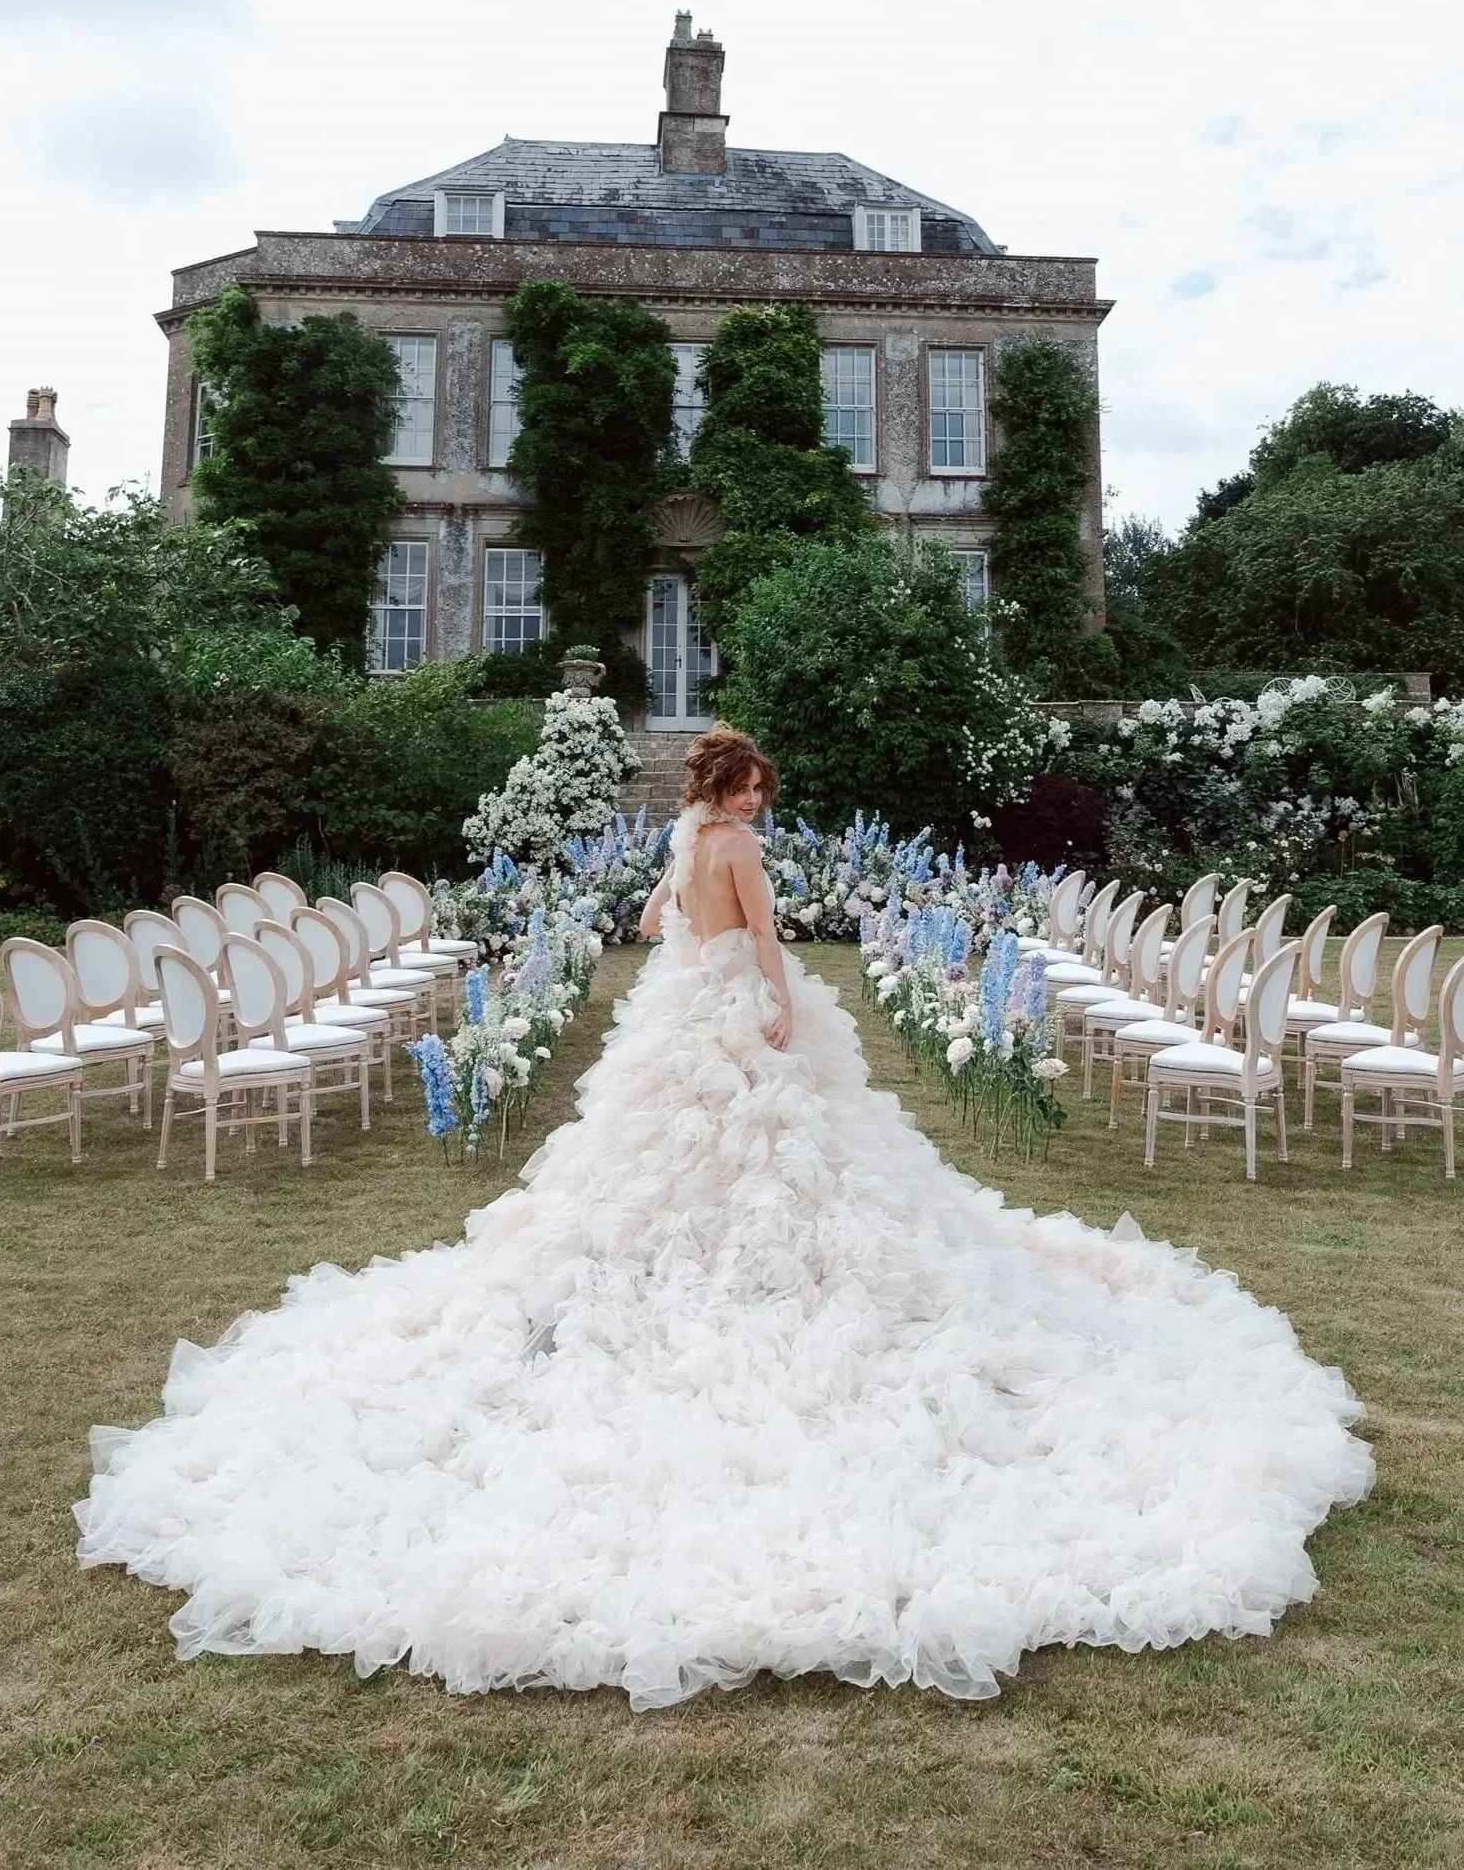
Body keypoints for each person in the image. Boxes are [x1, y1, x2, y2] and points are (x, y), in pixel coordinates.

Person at [74, 724, 1374, 1712]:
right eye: (759, 790)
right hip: (732, 1017)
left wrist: (691, 945)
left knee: (644, 1176)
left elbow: (652, 919)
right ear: (740, 788)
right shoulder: (738, 847)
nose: (762, 807)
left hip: (667, 1019)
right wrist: (770, 1002)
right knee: (781, 1169)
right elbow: (762, 937)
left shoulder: (677, 840)